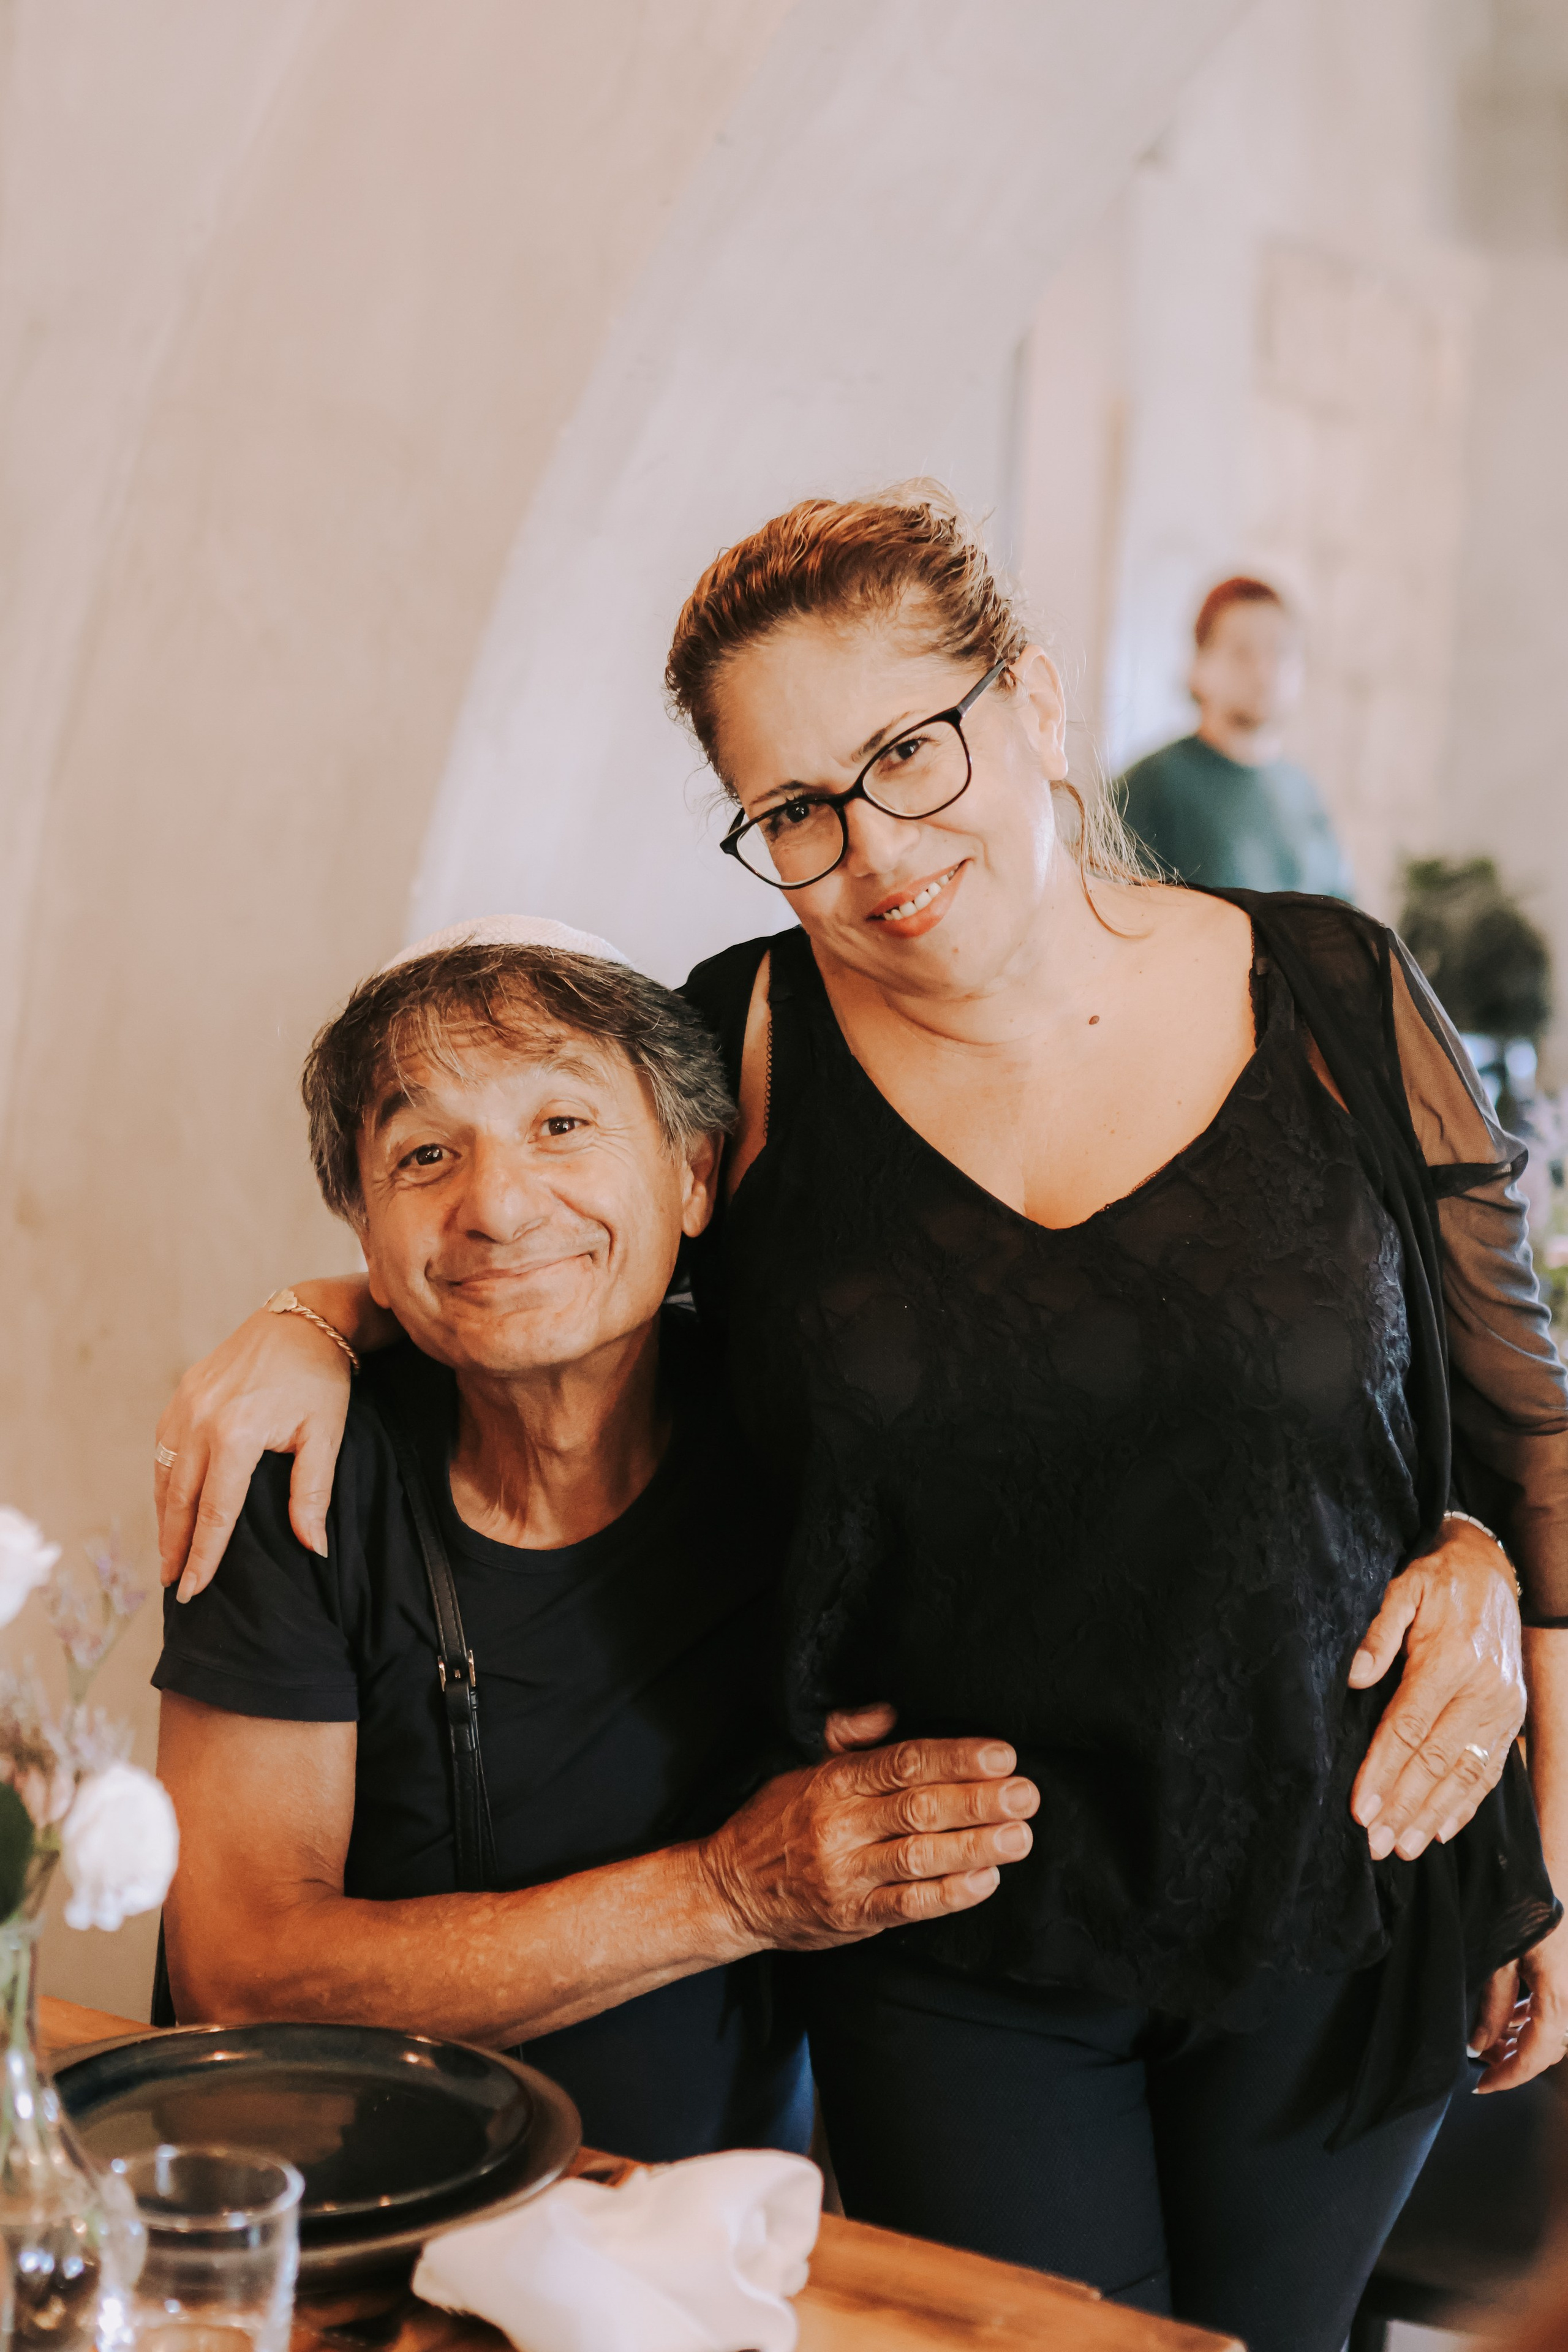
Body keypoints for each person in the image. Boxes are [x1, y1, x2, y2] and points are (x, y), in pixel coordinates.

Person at [153, 492, 1568, 2352]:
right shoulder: (737, 1047)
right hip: (947, 1923)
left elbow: (1520, 1432)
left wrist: (1552, 1827)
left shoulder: (1323, 985)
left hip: (1355, 1877)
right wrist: (315, 1312)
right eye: (798, 809)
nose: (874, 845)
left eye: (910, 748)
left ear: (1038, 703)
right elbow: (544, 1213)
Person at [153, 921, 1040, 2166]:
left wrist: (1431, 1527)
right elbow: (242, 1977)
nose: (499, 1205)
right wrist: (731, 1890)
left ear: (691, 1175)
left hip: (700, 2229)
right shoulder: (299, 1475)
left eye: (562, 1126)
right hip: (349, 2227)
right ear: (366, 1231)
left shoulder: (807, 1440)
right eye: (423, 1154)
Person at [1118, 575, 1354, 897]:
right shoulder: (1149, 787)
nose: (1263, 671)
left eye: (1280, 651)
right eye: (1242, 652)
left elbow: (1342, 914)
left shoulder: (1304, 792)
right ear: (1198, 666)